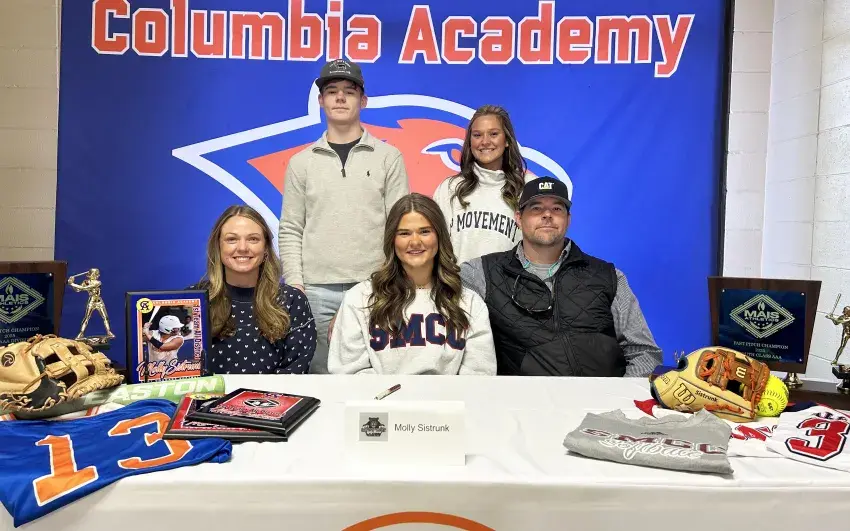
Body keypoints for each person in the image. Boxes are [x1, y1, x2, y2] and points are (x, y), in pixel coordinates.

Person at [279, 58, 410, 374]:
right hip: (315, 292)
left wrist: (390, 282)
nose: (340, 98)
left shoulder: (389, 158)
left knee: (375, 375)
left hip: (373, 287)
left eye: (349, 92)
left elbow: (401, 226)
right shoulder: (301, 163)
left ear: (363, 101)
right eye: (332, 91)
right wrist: (296, 284)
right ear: (321, 100)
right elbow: (291, 228)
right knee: (319, 377)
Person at [460, 177, 662, 377]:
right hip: (523, 398)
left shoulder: (608, 276)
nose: (547, 215)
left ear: (568, 219)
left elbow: (644, 352)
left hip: (602, 397)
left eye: (557, 209)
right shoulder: (482, 273)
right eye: (536, 208)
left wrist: (618, 395)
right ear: (519, 218)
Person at [327, 193, 496, 375]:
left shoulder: (469, 303)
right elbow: (348, 373)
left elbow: (479, 375)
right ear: (392, 240)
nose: (415, 242)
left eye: (425, 231)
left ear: (439, 236)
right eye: (404, 233)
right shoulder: (359, 299)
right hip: (380, 395)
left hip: (448, 395)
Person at [191, 205, 316, 374]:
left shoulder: (292, 301)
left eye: (253, 239)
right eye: (232, 239)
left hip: (275, 391)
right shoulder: (194, 300)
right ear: (218, 247)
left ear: (266, 248)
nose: (243, 247)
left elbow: (294, 370)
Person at [432, 105, 532, 264]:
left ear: (507, 140)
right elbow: (435, 249)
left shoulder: (527, 187)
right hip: (458, 280)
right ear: (470, 142)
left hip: (509, 280)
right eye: (477, 135)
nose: (485, 142)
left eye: (493, 134)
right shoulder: (449, 188)